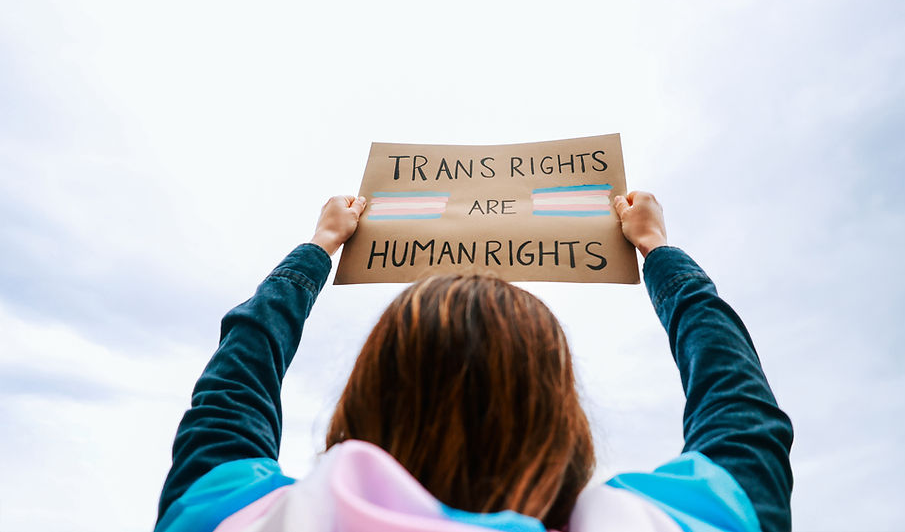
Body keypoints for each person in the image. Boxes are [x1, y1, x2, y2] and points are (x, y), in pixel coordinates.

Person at [154, 192, 793, 532]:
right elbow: (739, 412)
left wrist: (318, 250)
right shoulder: (669, 525)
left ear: (362, 399)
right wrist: (657, 250)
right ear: (563, 422)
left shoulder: (234, 519)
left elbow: (232, 391)